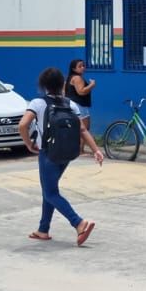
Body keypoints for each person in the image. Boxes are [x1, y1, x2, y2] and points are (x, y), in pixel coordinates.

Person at [18, 67, 101, 245]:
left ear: (43, 85)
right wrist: (96, 150)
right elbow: (82, 129)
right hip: (67, 153)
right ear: (62, 84)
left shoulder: (38, 103)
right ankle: (43, 229)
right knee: (49, 190)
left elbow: (23, 125)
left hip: (48, 153)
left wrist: (28, 143)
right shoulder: (70, 104)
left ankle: (79, 223)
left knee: (50, 192)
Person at [65, 59, 95, 150]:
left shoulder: (70, 77)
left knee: (79, 128)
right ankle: (81, 149)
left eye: (83, 65)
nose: (83, 68)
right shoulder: (77, 78)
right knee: (84, 128)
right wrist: (92, 85)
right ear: (74, 69)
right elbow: (81, 92)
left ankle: (77, 148)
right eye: (80, 66)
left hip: (72, 104)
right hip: (79, 105)